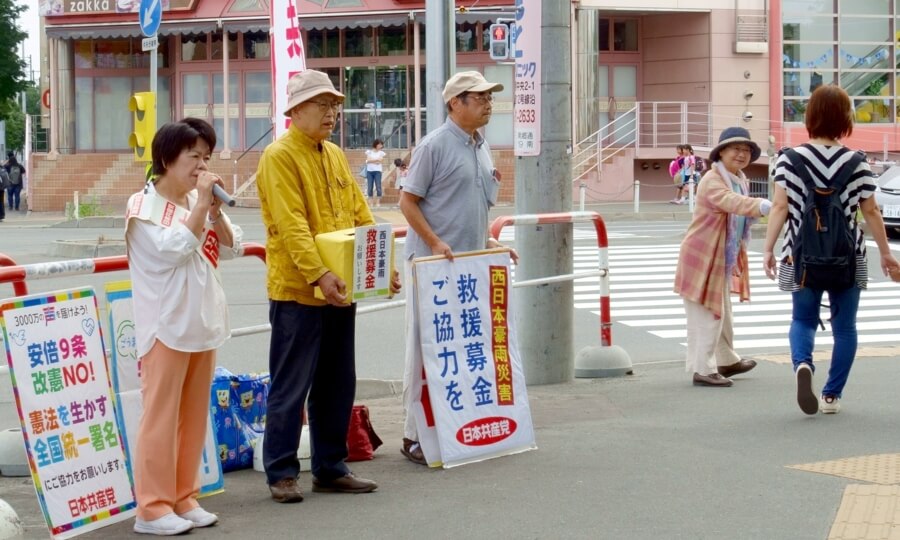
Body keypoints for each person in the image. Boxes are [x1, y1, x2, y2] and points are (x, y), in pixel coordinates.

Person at [255, 70, 400, 502]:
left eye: (334, 104)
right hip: (299, 290)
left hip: (342, 288)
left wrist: (380, 267)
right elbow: (291, 225)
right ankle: (281, 472)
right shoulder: (278, 157)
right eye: (322, 104)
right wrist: (320, 274)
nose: (332, 112)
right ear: (295, 111)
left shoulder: (334, 155)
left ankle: (330, 467)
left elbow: (361, 215)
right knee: (291, 385)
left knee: (338, 381)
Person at [125, 118, 242, 535]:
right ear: (166, 158)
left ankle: (182, 496)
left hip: (201, 323)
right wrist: (198, 208)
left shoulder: (197, 200)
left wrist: (214, 211)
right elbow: (171, 251)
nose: (200, 165)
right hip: (165, 328)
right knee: (160, 418)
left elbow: (232, 248)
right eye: (193, 155)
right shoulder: (143, 208)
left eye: (206, 157)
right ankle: (152, 508)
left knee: (193, 416)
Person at [398, 71, 517, 465]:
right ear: (455, 103)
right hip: (431, 266)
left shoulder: (481, 146)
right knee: (424, 350)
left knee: (462, 347)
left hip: (468, 266)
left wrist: (489, 242)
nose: (488, 103)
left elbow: (473, 203)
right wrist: (434, 242)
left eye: (489, 97)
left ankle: (459, 424)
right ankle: (414, 435)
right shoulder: (433, 146)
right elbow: (407, 202)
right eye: (479, 97)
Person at [763, 85, 900, 415]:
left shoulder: (789, 160)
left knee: (803, 319)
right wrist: (886, 253)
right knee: (845, 328)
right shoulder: (857, 162)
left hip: (801, 254)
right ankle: (831, 395)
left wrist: (769, 249)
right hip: (849, 257)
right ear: (845, 119)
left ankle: (802, 365)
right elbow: (871, 212)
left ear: (810, 116)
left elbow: (779, 208)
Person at [673, 127, 772, 387]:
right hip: (703, 254)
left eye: (746, 150)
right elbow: (731, 202)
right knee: (706, 313)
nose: (741, 154)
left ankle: (726, 360)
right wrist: (764, 205)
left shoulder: (739, 178)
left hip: (721, 255)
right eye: (735, 149)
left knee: (723, 311)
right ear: (722, 152)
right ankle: (702, 369)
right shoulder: (712, 179)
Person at [365, 139, 386, 208]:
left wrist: (371, 160)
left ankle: (378, 202)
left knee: (378, 186)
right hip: (369, 171)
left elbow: (380, 161)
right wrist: (376, 160)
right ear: (375, 144)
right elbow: (368, 161)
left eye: (381, 144)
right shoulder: (369, 152)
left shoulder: (381, 153)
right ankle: (370, 202)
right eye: (379, 144)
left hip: (378, 171)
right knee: (370, 186)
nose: (380, 146)